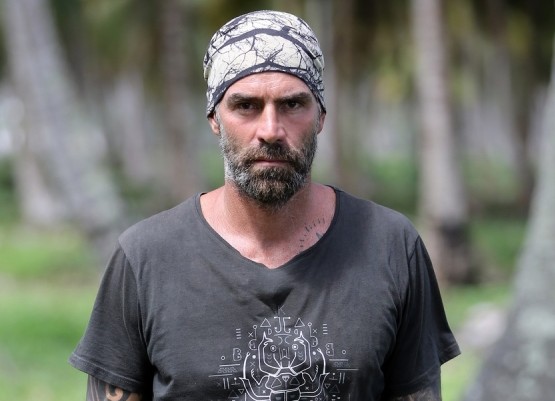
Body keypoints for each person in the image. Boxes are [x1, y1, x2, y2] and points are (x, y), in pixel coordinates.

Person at [70, 10, 460, 401]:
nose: (271, 131)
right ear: (214, 118)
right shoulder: (145, 257)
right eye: (246, 106)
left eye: (292, 104)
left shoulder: (390, 246)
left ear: (321, 117)